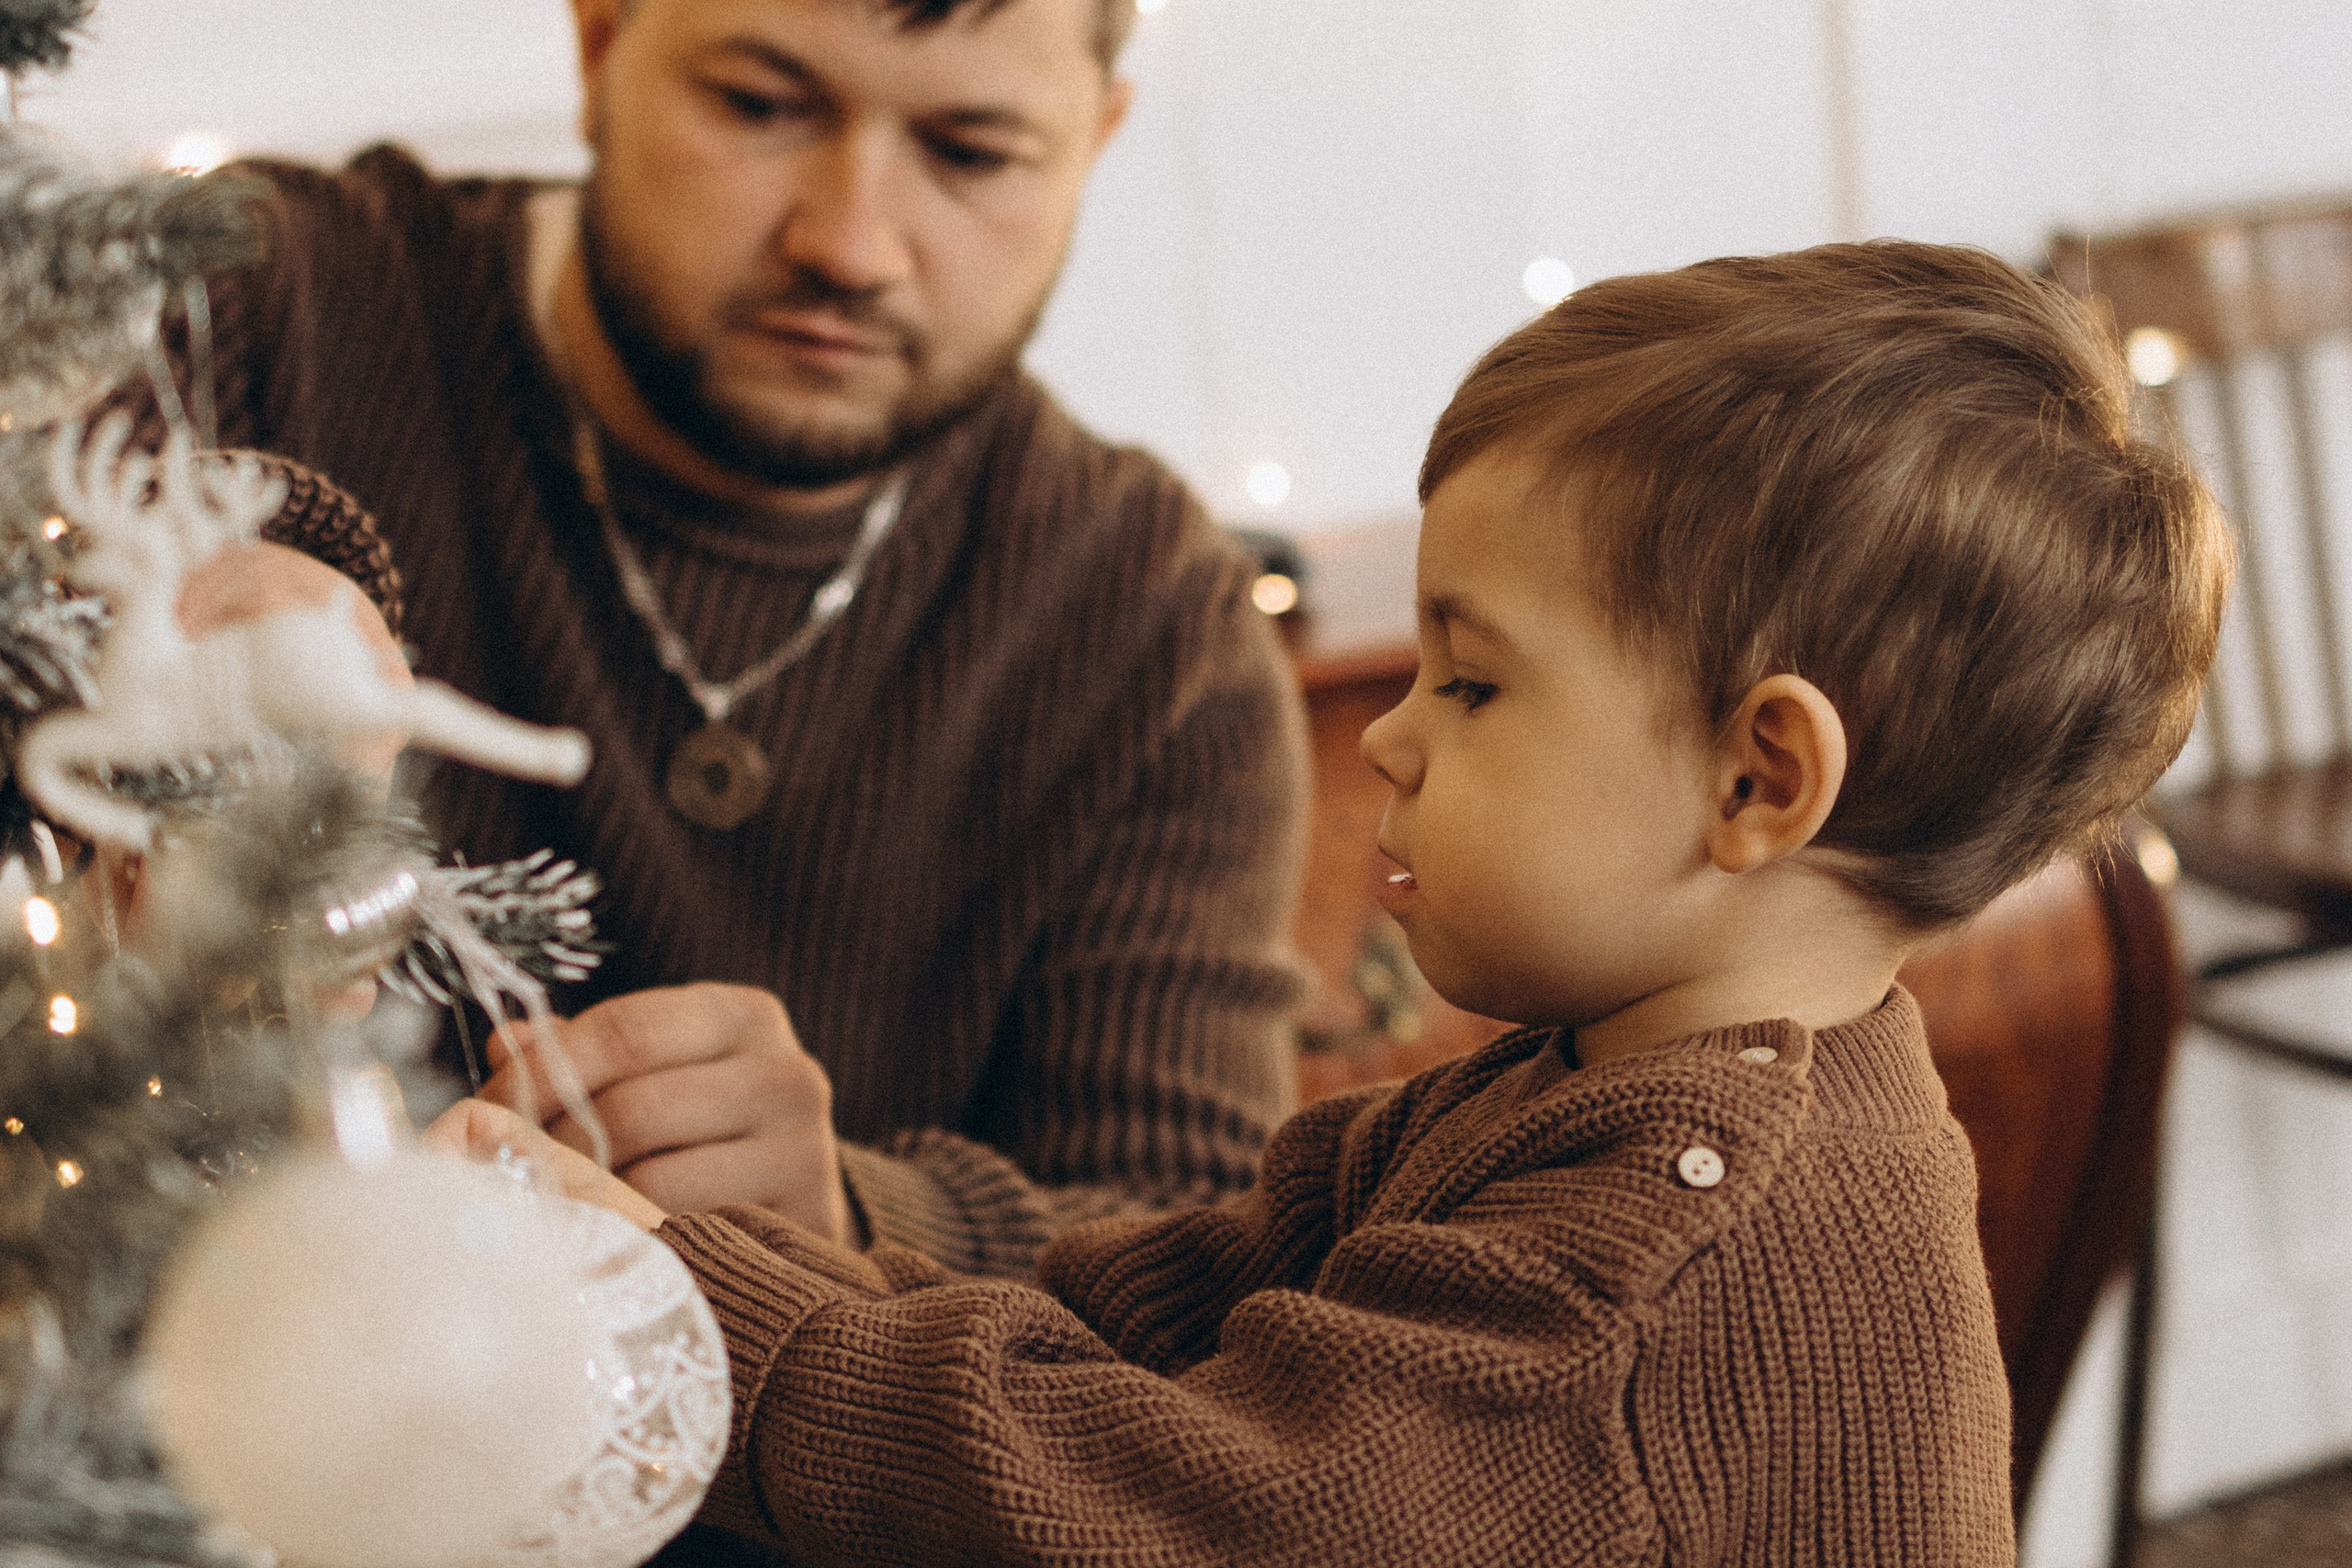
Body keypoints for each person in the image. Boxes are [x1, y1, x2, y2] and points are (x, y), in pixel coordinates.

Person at [435, 239, 2232, 1564]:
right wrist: (822, 1221)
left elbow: (1144, 1502)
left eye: (1469, 679)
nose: (1382, 734)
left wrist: (659, 1297)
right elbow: (1170, 1305)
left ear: (1758, 776)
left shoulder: (1659, 1256)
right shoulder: (1595, 1083)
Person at [159, 0, 1308, 1279]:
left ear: (1095, 138)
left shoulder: (1157, 632)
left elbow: (1195, 1240)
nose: (851, 246)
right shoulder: (250, 317)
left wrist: (859, 1218)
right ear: (600, 46)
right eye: (760, 106)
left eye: (972, 152)